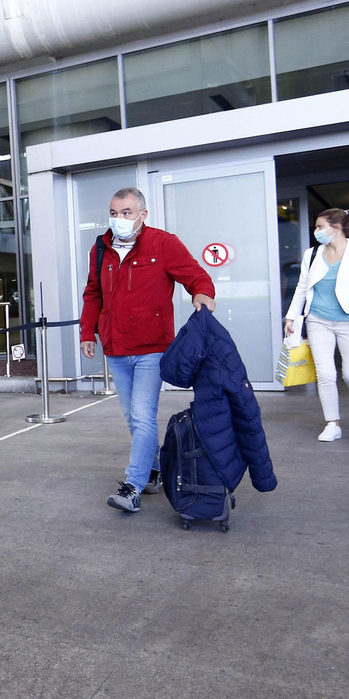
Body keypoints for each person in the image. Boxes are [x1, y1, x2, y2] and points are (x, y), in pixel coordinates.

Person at [79, 187, 215, 514]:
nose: (119, 219)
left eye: (126, 213)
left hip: (152, 347)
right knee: (134, 418)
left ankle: (133, 486)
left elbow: (196, 276)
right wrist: (88, 331)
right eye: (114, 213)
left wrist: (202, 294)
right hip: (115, 347)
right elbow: (93, 293)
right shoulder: (101, 248)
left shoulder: (163, 243)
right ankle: (155, 470)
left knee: (142, 416)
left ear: (143, 214)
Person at [284, 209, 349, 442]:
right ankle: (332, 423)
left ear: (336, 227)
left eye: (320, 227)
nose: (316, 232)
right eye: (315, 227)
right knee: (325, 374)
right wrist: (291, 317)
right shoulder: (312, 254)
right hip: (318, 321)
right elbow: (302, 288)